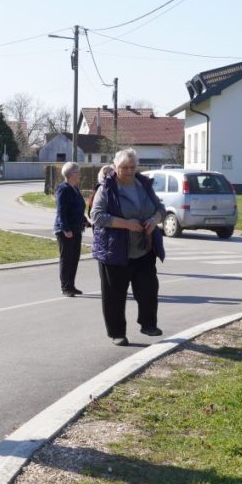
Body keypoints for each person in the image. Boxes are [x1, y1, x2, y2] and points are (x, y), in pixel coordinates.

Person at [90, 148, 165, 346]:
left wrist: (153, 219)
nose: (129, 171)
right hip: (115, 250)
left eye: (132, 167)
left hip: (143, 248)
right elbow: (96, 216)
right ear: (115, 167)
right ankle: (117, 333)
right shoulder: (107, 188)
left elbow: (161, 209)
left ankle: (148, 324)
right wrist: (126, 223)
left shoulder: (144, 185)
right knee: (114, 294)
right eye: (124, 167)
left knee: (149, 289)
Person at [53, 161, 87, 296]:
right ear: (71, 174)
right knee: (66, 259)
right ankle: (65, 287)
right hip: (65, 231)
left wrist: (85, 220)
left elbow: (78, 209)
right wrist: (66, 229)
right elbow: (61, 211)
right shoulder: (63, 189)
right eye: (78, 172)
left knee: (74, 258)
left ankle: (71, 285)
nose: (80, 175)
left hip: (76, 229)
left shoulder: (75, 189)